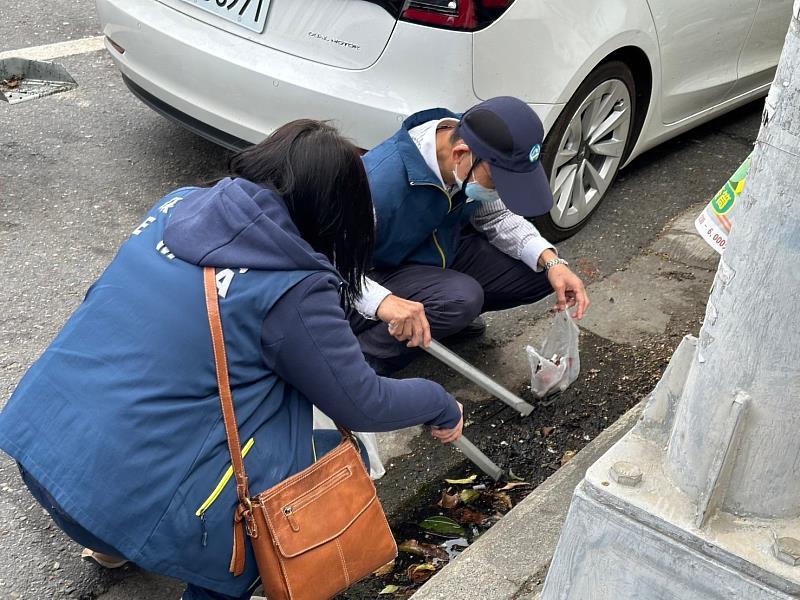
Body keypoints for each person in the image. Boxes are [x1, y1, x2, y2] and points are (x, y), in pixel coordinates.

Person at [0, 120, 463, 600]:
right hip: (117, 505)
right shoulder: (293, 286)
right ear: (333, 209)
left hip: (42, 460)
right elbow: (362, 403)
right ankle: (206, 576)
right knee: (313, 460)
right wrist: (438, 402)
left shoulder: (176, 206)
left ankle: (112, 543)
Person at [350, 97, 590, 375]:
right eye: (497, 183)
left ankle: (441, 320)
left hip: (439, 249)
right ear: (459, 154)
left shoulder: (477, 142)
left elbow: (497, 216)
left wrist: (551, 262)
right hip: (375, 273)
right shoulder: (376, 187)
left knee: (540, 273)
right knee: (461, 299)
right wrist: (383, 303)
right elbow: (332, 270)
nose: (500, 193)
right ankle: (361, 359)